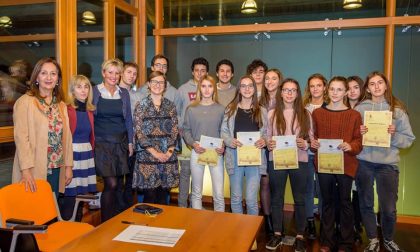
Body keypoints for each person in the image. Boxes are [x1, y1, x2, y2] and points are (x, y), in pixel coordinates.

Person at [355, 72, 415, 252]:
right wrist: (359, 133)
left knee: (388, 207)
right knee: (365, 203)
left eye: (380, 83)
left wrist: (394, 134)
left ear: (386, 85)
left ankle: (388, 239)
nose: (376, 87)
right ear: (367, 88)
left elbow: (409, 139)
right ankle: (373, 239)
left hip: (388, 165)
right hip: (364, 162)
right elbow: (350, 138)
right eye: (372, 84)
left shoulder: (397, 110)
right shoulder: (359, 109)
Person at [311, 76, 363, 252]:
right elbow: (314, 137)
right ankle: (326, 240)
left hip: (346, 164)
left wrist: (350, 146)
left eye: (339, 89)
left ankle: (346, 242)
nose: (335, 93)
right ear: (327, 90)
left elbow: (358, 141)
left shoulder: (354, 115)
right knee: (326, 202)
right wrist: (314, 143)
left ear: (346, 92)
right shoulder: (317, 113)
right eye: (332, 89)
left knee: (345, 203)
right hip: (324, 164)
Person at [12, 57, 73, 195]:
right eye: (44, 73)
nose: (49, 77)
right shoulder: (25, 102)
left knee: (53, 208)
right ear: (36, 77)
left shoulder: (61, 105)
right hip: (34, 168)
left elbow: (67, 138)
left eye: (53, 73)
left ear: (58, 79)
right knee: (34, 211)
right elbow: (21, 139)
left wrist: (68, 166)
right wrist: (26, 171)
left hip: (57, 167)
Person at [221, 75, 267, 250]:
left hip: (254, 160)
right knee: (236, 198)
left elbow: (267, 133)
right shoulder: (230, 109)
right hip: (235, 157)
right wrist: (229, 141)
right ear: (239, 89)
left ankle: (250, 235)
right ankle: (238, 231)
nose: (247, 89)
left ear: (254, 89)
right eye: (243, 86)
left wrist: (263, 140)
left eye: (250, 86)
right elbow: (223, 131)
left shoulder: (261, 110)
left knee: (251, 200)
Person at [265, 78, 311, 252]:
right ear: (281, 92)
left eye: (293, 90)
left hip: (299, 160)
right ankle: (277, 233)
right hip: (277, 160)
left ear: (297, 93)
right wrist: (269, 144)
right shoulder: (271, 114)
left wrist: (305, 144)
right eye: (286, 90)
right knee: (276, 198)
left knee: (300, 199)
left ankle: (300, 235)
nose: (289, 93)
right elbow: (268, 137)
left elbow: (311, 138)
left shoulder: (305, 113)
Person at [93, 58, 133, 222]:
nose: (113, 76)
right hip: (102, 144)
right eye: (110, 72)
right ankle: (106, 222)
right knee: (111, 184)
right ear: (103, 73)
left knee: (119, 184)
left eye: (117, 73)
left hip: (120, 143)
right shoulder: (94, 91)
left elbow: (128, 119)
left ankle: (115, 220)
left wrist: (130, 142)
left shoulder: (123, 93)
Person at [132, 71, 179, 204]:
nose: (157, 85)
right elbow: (139, 133)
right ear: (148, 84)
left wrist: (168, 152)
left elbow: (175, 130)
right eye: (154, 82)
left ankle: (163, 225)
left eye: (161, 82)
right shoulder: (141, 106)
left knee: (164, 197)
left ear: (165, 86)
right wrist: (156, 153)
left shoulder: (171, 105)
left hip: (167, 157)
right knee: (150, 198)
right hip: (148, 157)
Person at [183, 75, 225, 211]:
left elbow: (224, 131)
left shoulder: (221, 109)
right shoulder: (191, 109)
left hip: (216, 153)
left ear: (214, 89)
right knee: (196, 192)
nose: (207, 90)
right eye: (204, 86)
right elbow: (186, 131)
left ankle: (221, 225)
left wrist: (223, 145)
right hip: (197, 151)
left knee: (218, 193)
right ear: (199, 88)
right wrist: (193, 144)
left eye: (210, 86)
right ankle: (197, 223)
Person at [61, 75, 97, 221]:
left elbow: (91, 136)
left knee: (81, 197)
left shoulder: (89, 111)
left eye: (86, 86)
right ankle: (67, 232)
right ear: (72, 90)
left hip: (86, 155)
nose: (83, 90)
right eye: (79, 87)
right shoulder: (67, 110)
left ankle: (77, 230)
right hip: (72, 155)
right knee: (70, 196)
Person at [175, 57, 209, 208]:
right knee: (185, 174)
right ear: (192, 72)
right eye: (197, 70)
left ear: (207, 72)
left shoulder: (210, 88)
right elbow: (176, 112)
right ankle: (182, 207)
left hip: (204, 141)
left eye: (203, 70)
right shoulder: (182, 89)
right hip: (186, 141)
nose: (200, 73)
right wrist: (181, 130)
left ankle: (196, 207)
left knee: (199, 176)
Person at [302, 73, 328, 239]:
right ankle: (310, 222)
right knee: (308, 190)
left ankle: (325, 224)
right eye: (312, 86)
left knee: (323, 189)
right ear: (308, 89)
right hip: (306, 154)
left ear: (324, 87)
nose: (316, 89)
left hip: (324, 155)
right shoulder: (303, 108)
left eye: (319, 85)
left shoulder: (330, 107)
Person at [259, 68, 283, 238]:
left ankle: (277, 219)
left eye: (274, 78)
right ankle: (267, 219)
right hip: (263, 147)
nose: (270, 81)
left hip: (281, 148)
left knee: (278, 185)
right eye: (267, 78)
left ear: (279, 81)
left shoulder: (286, 99)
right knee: (265, 183)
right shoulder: (258, 100)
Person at [118, 62, 139, 211]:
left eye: (135, 74)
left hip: (134, 142)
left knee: (131, 179)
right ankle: (117, 208)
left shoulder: (137, 96)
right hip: (118, 142)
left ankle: (127, 209)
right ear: (121, 73)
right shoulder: (113, 93)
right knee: (118, 179)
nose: (132, 76)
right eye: (129, 72)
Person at [346, 75, 365, 244]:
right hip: (345, 158)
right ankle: (346, 226)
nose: (352, 91)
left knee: (359, 193)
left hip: (364, 158)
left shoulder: (367, 109)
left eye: (356, 87)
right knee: (345, 195)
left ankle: (356, 227)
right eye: (349, 88)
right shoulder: (340, 108)